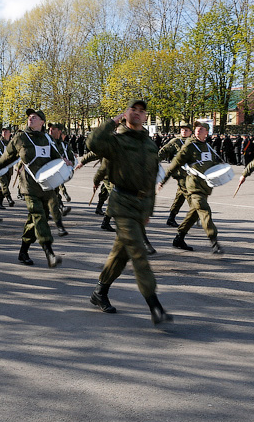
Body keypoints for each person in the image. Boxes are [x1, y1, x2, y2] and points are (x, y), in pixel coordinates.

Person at [86, 99, 171, 324]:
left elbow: (151, 178)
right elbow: (93, 143)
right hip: (122, 203)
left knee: (121, 254)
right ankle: (154, 304)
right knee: (137, 251)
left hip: (140, 205)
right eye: (133, 109)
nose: (137, 113)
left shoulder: (150, 145)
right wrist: (112, 121)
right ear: (126, 114)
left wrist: (148, 210)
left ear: (146, 117)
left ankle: (100, 292)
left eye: (142, 111)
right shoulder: (117, 140)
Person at [0, 108, 65, 267]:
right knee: (38, 216)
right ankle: (48, 250)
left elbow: (57, 159)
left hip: (47, 186)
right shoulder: (20, 138)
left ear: (42, 122)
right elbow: (5, 159)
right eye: (30, 117)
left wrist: (66, 162)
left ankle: (23, 251)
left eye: (35, 117)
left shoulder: (47, 139)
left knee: (33, 221)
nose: (31, 118)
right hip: (29, 186)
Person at [161, 121, 225, 254]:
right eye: (196, 128)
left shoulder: (208, 147)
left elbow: (212, 165)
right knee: (204, 209)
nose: (197, 130)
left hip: (205, 187)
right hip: (193, 186)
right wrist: (164, 180)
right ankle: (214, 241)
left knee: (194, 212)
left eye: (201, 129)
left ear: (207, 132)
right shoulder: (190, 146)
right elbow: (175, 162)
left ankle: (179, 238)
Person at [158, 122, 192, 227]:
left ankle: (171, 217)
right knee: (191, 194)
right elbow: (163, 151)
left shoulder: (193, 142)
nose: (184, 131)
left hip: (191, 174)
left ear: (190, 132)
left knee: (180, 196)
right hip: (180, 173)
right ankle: (198, 213)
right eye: (182, 129)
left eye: (186, 130)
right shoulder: (176, 141)